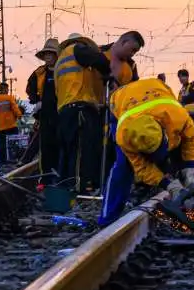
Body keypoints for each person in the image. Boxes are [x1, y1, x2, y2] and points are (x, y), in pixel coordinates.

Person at [98, 78, 194, 226]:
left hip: (156, 93)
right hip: (120, 102)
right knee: (123, 165)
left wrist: (189, 170)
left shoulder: (178, 115)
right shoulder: (123, 136)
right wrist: (168, 185)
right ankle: (107, 219)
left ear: (164, 133)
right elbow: (141, 167)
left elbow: (191, 139)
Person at [55, 32, 143, 194]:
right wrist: (110, 76)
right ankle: (79, 189)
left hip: (66, 109)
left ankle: (66, 189)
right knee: (82, 150)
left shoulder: (61, 61)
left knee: (70, 152)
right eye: (132, 50)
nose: (132, 54)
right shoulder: (79, 49)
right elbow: (100, 60)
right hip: (81, 107)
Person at [23, 39, 59, 177]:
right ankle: (46, 174)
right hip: (45, 112)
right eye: (46, 54)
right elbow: (30, 88)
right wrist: (36, 100)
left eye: (51, 54)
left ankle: (58, 171)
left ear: (56, 55)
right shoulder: (39, 72)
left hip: (60, 112)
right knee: (45, 144)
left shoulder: (62, 71)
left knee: (59, 142)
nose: (48, 56)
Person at [0, 83, 22, 164]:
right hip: (11, 125)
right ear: (5, 89)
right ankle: (14, 159)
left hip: (0, 127)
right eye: (7, 89)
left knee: (2, 145)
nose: (8, 91)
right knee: (14, 143)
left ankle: (3, 162)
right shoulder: (9, 98)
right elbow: (15, 108)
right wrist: (19, 115)